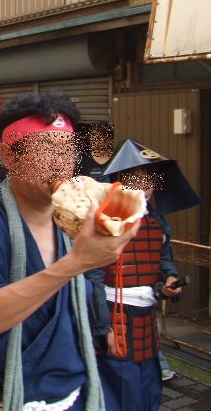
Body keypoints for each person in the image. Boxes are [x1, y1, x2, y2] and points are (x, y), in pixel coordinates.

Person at [0, 92, 142, 411]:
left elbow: (88, 290)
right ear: (9, 156)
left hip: (76, 395)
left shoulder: (76, 215)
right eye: (44, 150)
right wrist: (74, 263)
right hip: (3, 400)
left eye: (67, 151)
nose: (59, 164)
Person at [86, 139, 201, 410]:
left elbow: (164, 256)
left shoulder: (156, 218)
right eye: (136, 178)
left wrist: (170, 279)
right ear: (120, 180)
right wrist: (103, 328)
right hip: (115, 314)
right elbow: (92, 276)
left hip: (147, 316)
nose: (144, 185)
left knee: (149, 387)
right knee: (120, 389)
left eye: (148, 178)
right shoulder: (103, 219)